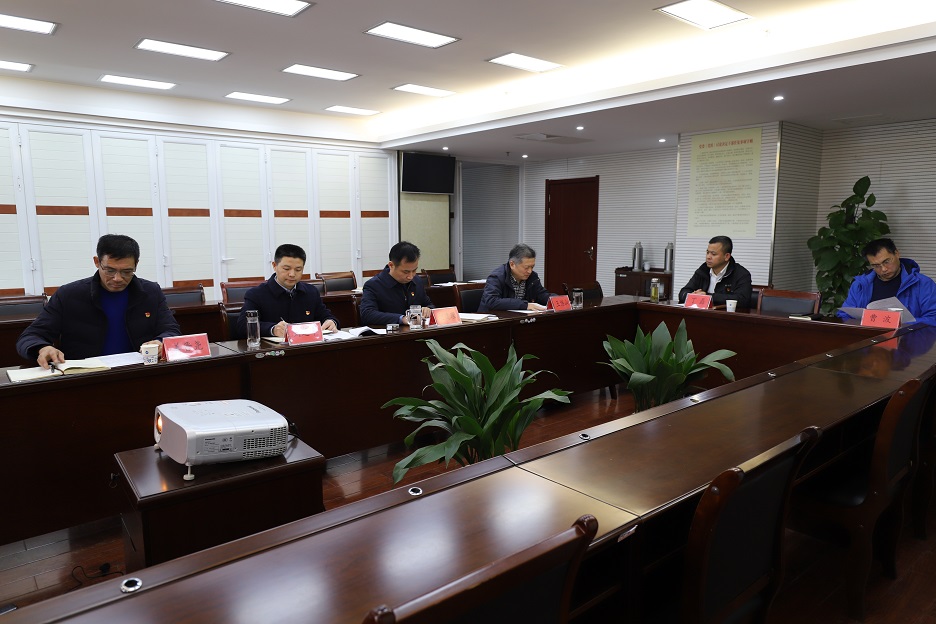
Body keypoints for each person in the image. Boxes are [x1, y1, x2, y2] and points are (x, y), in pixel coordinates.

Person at [16, 234, 180, 369]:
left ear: (136, 265)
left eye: (126, 272)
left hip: (138, 373)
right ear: (97, 262)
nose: (117, 278)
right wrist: (42, 348)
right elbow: (30, 336)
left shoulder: (151, 292)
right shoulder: (69, 295)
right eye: (110, 270)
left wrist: (161, 342)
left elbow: (171, 330)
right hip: (86, 378)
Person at [236, 244, 339, 339]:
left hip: (306, 347)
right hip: (274, 350)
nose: (292, 274)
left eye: (298, 270)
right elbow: (242, 326)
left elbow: (326, 316)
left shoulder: (311, 292)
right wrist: (272, 329)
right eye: (286, 269)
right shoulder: (256, 294)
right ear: (274, 266)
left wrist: (331, 322)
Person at [837, 238, 936, 326]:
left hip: (908, 338)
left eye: (886, 262)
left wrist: (899, 323)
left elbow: (933, 318)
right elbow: (844, 315)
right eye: (876, 266)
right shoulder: (860, 284)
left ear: (896, 253)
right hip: (869, 337)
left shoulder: (923, 284)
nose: (883, 269)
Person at [359, 241, 434, 326]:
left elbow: (428, 304)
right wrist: (401, 319)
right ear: (391, 265)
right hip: (389, 333)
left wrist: (428, 309)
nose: (410, 276)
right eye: (406, 272)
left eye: (414, 270)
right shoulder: (374, 285)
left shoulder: (417, 281)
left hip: (416, 331)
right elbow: (367, 314)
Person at [678, 236, 752, 308]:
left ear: (726, 256)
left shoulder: (741, 274)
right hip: (702, 314)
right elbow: (683, 293)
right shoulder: (703, 270)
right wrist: (693, 296)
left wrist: (708, 297)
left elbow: (742, 300)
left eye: (713, 254)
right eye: (707, 252)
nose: (708, 257)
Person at [479, 243, 552, 312]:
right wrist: (526, 305)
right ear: (512, 264)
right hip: (494, 318)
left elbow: (542, 295)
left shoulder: (532, 277)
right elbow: (491, 301)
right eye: (526, 268)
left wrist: (556, 300)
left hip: (519, 317)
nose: (530, 271)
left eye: (532, 267)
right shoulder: (497, 277)